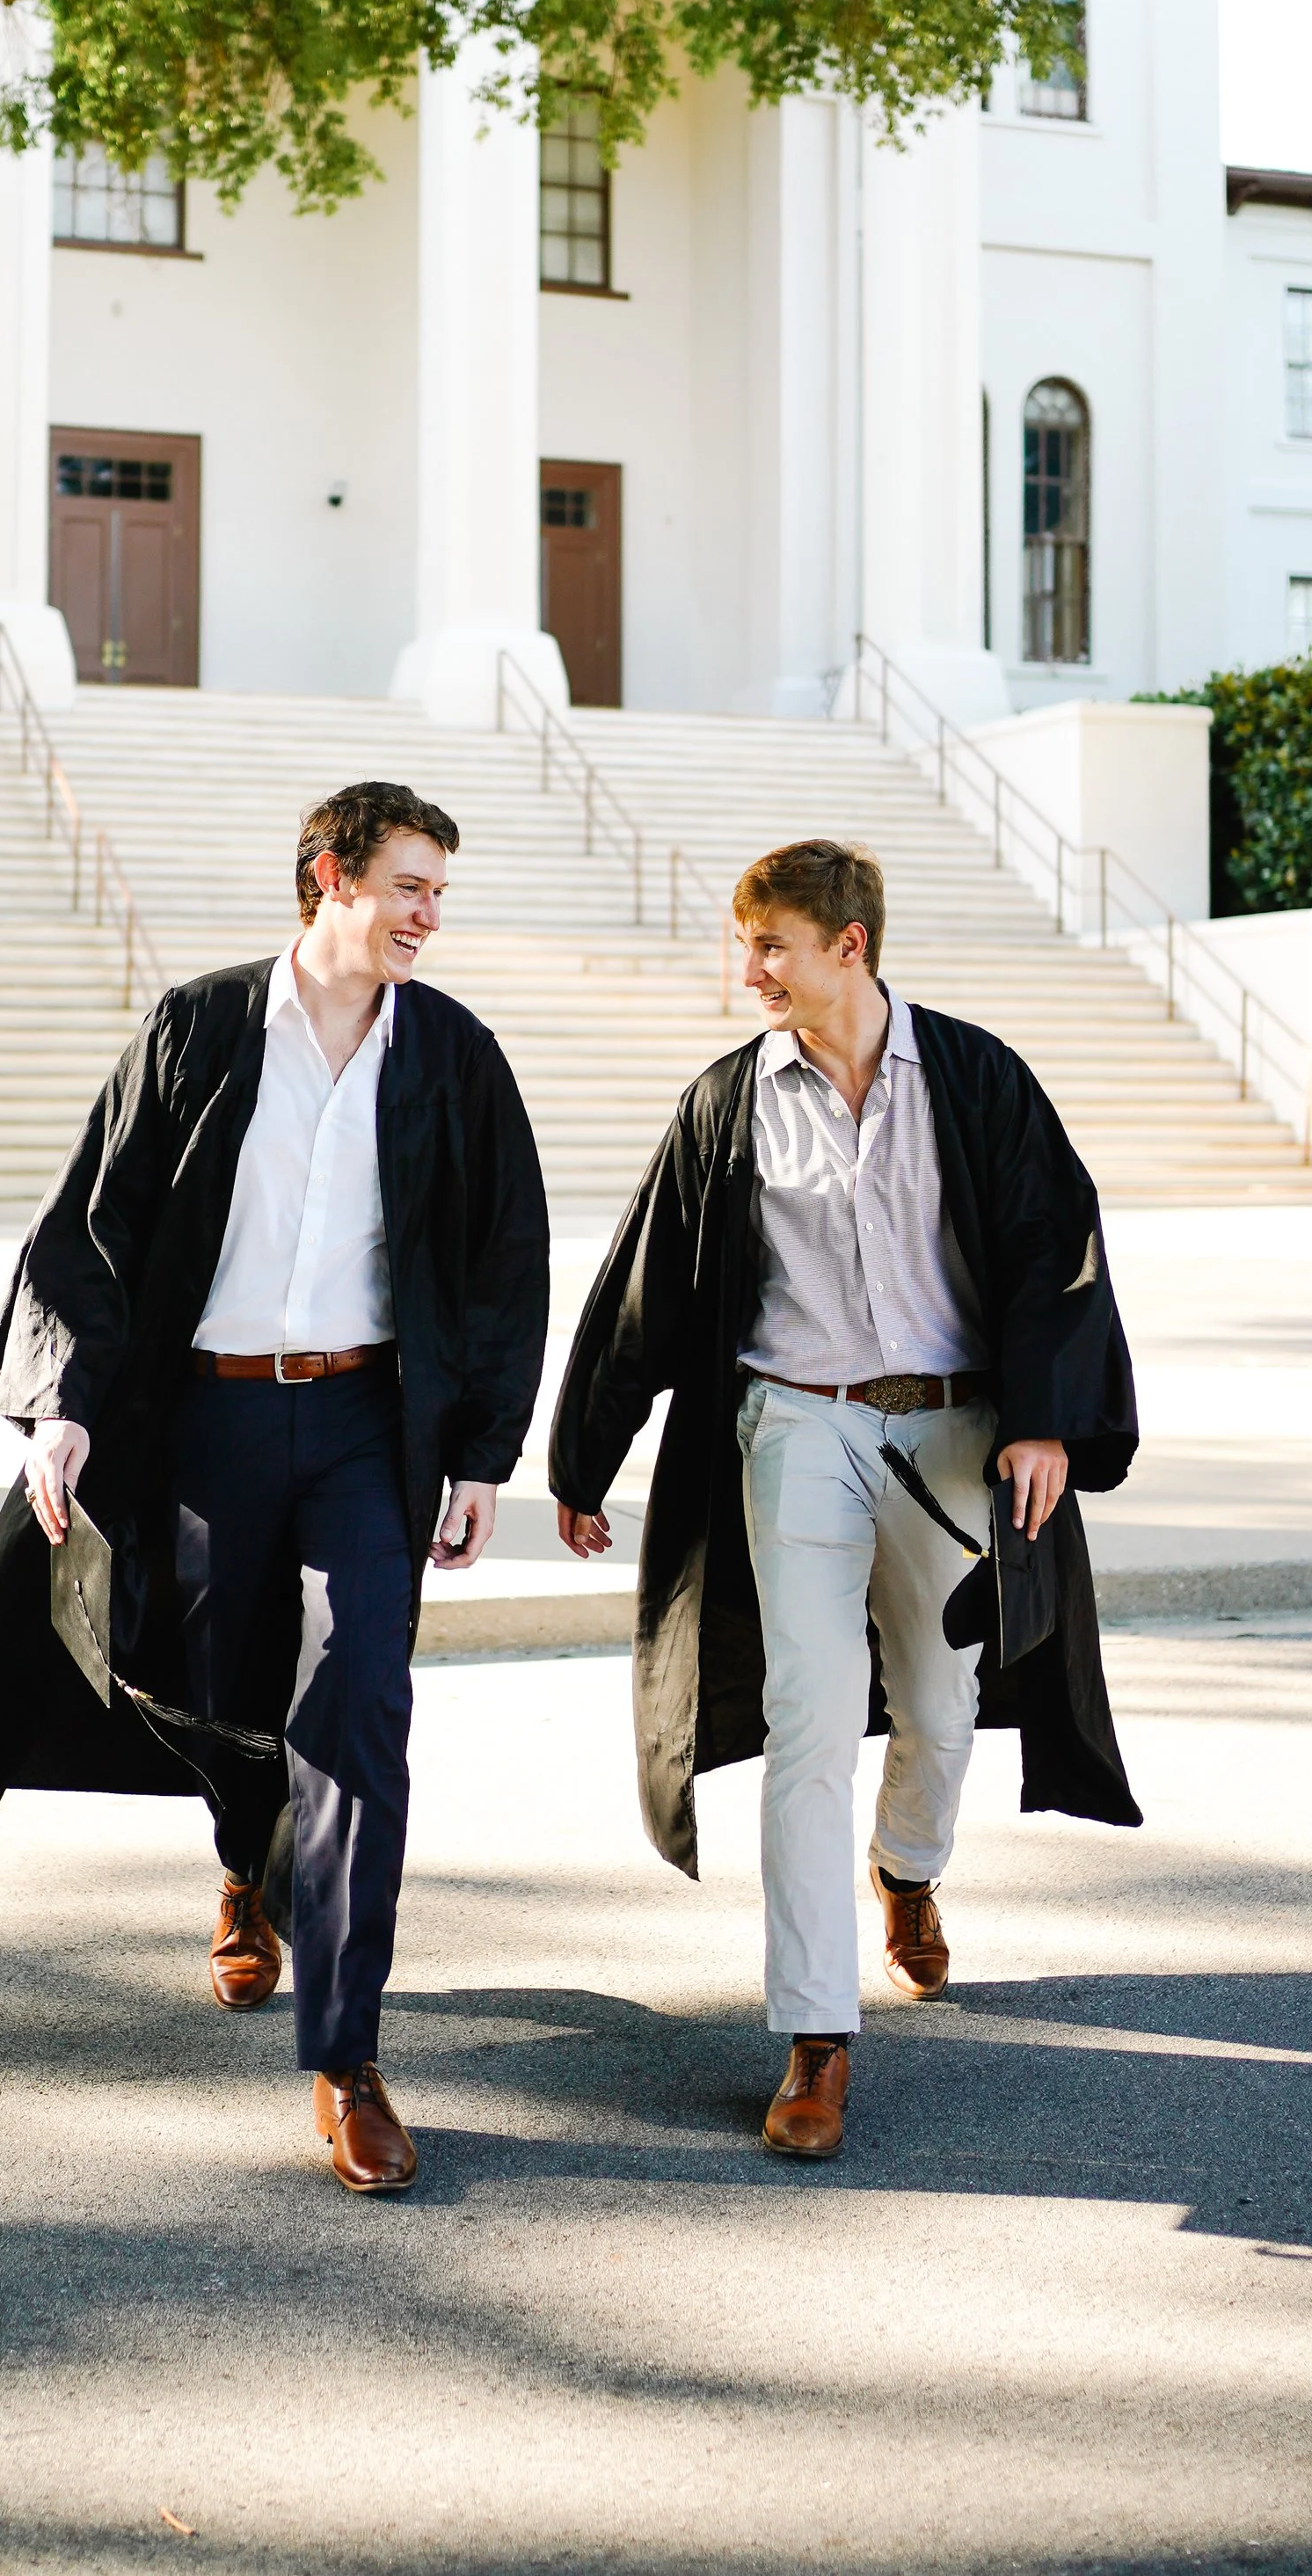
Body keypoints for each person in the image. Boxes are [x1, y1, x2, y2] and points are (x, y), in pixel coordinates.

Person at [0, 782, 549, 2193]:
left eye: (441, 890)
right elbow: (94, 1217)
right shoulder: (199, 1029)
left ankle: (348, 2055)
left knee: (361, 1705)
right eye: (409, 886)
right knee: (227, 1682)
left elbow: (505, 1257)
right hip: (207, 1419)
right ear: (330, 878)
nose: (431, 915)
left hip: (369, 1429)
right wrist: (63, 1406)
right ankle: (246, 1867)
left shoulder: (450, 1056)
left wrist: (486, 1450)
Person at [549, 838, 1140, 2159]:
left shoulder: (975, 1079)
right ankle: (817, 2034)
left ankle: (909, 1869)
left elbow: (1056, 1245)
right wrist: (583, 1455)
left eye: (773, 947)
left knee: (942, 1702)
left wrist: (1044, 1419)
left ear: (850, 947)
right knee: (810, 1715)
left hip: (951, 1433)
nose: (748, 969)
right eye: (743, 944)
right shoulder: (730, 1103)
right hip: (795, 1426)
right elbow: (648, 1278)